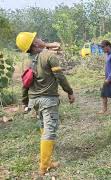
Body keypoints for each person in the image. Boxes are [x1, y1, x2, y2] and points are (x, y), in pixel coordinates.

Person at [16, 32, 75, 175]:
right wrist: (69, 91)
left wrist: (25, 101)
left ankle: (47, 162)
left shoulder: (28, 61)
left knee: (44, 126)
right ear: (35, 44)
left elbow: (25, 84)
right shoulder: (49, 56)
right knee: (49, 130)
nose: (40, 39)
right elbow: (60, 76)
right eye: (37, 38)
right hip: (48, 100)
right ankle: (44, 166)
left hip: (34, 100)